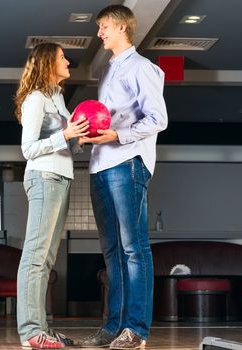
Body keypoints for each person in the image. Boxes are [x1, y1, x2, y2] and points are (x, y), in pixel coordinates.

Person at [78, 5, 168, 350]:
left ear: (120, 27)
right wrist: (94, 137)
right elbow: (108, 122)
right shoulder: (108, 70)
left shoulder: (142, 68)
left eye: (103, 27)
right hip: (101, 166)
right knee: (113, 251)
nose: (99, 33)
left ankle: (137, 330)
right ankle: (113, 327)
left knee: (134, 249)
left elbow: (157, 119)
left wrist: (117, 136)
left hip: (127, 162)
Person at [15, 42, 89, 349]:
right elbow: (29, 148)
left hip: (60, 178)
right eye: (62, 58)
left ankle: (41, 329)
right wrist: (66, 135)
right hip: (43, 177)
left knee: (45, 259)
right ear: (48, 63)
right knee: (35, 256)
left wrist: (79, 139)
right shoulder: (35, 99)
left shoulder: (56, 97)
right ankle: (31, 331)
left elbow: (63, 143)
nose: (68, 61)